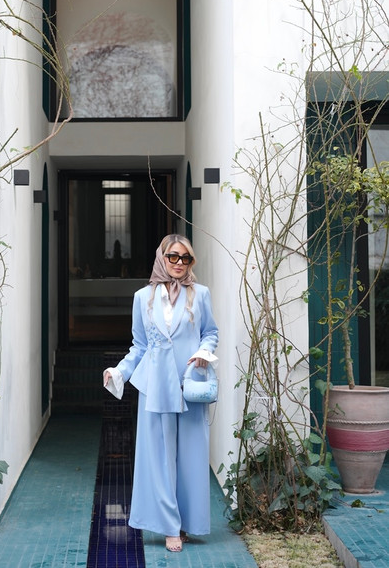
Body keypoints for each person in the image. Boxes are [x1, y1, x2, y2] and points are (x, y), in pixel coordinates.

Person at [103, 234, 219, 553]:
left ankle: (188, 522)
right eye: (173, 257)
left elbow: (210, 333)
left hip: (189, 384)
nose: (179, 263)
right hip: (156, 388)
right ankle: (169, 527)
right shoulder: (143, 297)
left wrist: (203, 353)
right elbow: (139, 345)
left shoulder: (200, 294)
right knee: (159, 459)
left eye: (185, 258)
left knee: (192, 457)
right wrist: (119, 371)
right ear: (162, 257)